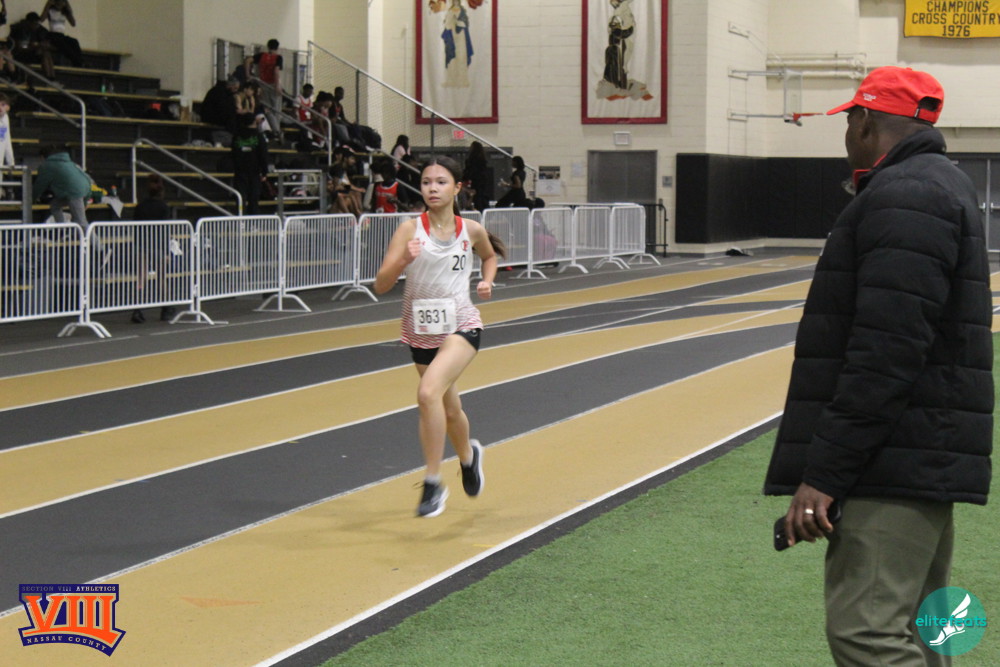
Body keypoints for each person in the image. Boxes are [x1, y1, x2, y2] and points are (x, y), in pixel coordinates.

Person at [763, 66, 993, 666]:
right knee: (925, 629)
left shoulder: (907, 195)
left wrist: (825, 474)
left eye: (849, 121)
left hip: (894, 459)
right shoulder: (938, 183)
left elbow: (885, 354)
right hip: (921, 451)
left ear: (864, 121)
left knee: (866, 633)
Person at [373, 156, 507, 517]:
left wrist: (487, 281)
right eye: (427, 182)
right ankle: (469, 456)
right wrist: (403, 260)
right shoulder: (408, 230)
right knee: (448, 409)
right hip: (421, 331)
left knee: (427, 393)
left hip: (462, 324)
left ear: (457, 188)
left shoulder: (470, 229)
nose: (432, 188)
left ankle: (432, 483)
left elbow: (489, 256)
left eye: (441, 182)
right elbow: (381, 285)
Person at [130, 174, 177, 324]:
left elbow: (135, 227)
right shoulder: (164, 207)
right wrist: (166, 251)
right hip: (158, 245)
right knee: (161, 278)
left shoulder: (140, 206)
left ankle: (137, 309)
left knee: (141, 278)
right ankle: (166, 308)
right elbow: (164, 230)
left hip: (142, 245)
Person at [35, 143, 90, 227]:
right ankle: (62, 227)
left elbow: (40, 184)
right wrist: (87, 198)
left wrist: (32, 198)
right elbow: (85, 178)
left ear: (42, 157)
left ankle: (92, 237)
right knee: (55, 205)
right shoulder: (69, 162)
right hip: (83, 189)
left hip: (74, 193)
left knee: (81, 221)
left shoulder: (46, 165)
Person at [230, 113, 269, 215]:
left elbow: (233, 153)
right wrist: (264, 172)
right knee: (254, 199)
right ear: (254, 122)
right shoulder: (259, 136)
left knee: (240, 198)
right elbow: (263, 155)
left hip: (240, 171)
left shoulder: (237, 136)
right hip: (254, 171)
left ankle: (240, 219)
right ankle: (253, 220)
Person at [247, 38, 283, 138]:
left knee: (267, 108)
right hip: (272, 84)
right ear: (277, 48)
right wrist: (277, 85)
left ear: (268, 46)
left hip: (263, 83)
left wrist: (248, 74)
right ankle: (277, 130)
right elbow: (276, 71)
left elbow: (248, 60)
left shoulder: (262, 56)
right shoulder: (278, 57)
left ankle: (273, 130)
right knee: (276, 109)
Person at [10, 12, 56, 80]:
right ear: (28, 22)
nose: (37, 26)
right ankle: (49, 78)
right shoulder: (21, 30)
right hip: (21, 54)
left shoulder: (38, 30)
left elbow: (48, 44)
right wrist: (34, 47)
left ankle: (51, 77)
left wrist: (40, 46)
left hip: (32, 53)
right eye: (35, 23)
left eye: (38, 24)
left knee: (46, 53)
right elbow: (21, 47)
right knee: (44, 54)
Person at [200, 76, 240, 146]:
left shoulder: (225, 93)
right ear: (230, 86)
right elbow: (224, 110)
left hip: (218, 119)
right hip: (214, 119)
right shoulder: (220, 93)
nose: (236, 91)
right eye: (235, 88)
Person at [41, 0, 82, 67]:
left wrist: (68, 9)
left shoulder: (64, 12)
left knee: (74, 41)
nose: (60, 5)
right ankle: (77, 62)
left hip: (61, 35)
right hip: (53, 34)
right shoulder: (50, 11)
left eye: (62, 3)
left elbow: (73, 24)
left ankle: (79, 61)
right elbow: (41, 19)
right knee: (63, 44)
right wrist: (47, 5)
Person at [463, 141, 490, 211]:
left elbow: (468, 173)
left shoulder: (471, 161)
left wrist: (464, 178)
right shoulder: (483, 161)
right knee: (483, 200)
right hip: (483, 183)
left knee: (477, 200)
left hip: (476, 183)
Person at [0, 93, 14, 199]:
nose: (0, 107)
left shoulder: (5, 118)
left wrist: (10, 162)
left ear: (8, 107)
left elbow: (6, 140)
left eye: (3, 104)